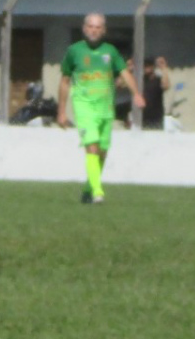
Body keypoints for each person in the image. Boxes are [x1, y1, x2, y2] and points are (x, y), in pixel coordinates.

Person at [58, 13, 145, 203]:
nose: (93, 30)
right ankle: (98, 191)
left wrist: (136, 93)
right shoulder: (74, 51)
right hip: (84, 106)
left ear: (104, 30)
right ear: (84, 28)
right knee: (92, 148)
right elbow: (64, 81)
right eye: (90, 26)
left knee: (103, 151)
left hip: (106, 108)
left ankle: (88, 189)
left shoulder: (110, 51)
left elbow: (125, 73)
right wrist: (62, 111)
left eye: (98, 27)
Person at [140, 55, 171, 130]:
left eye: (148, 65)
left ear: (153, 66)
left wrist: (163, 68)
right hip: (142, 118)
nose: (146, 68)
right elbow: (120, 84)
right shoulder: (140, 80)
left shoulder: (158, 80)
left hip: (156, 118)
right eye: (144, 66)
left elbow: (166, 86)